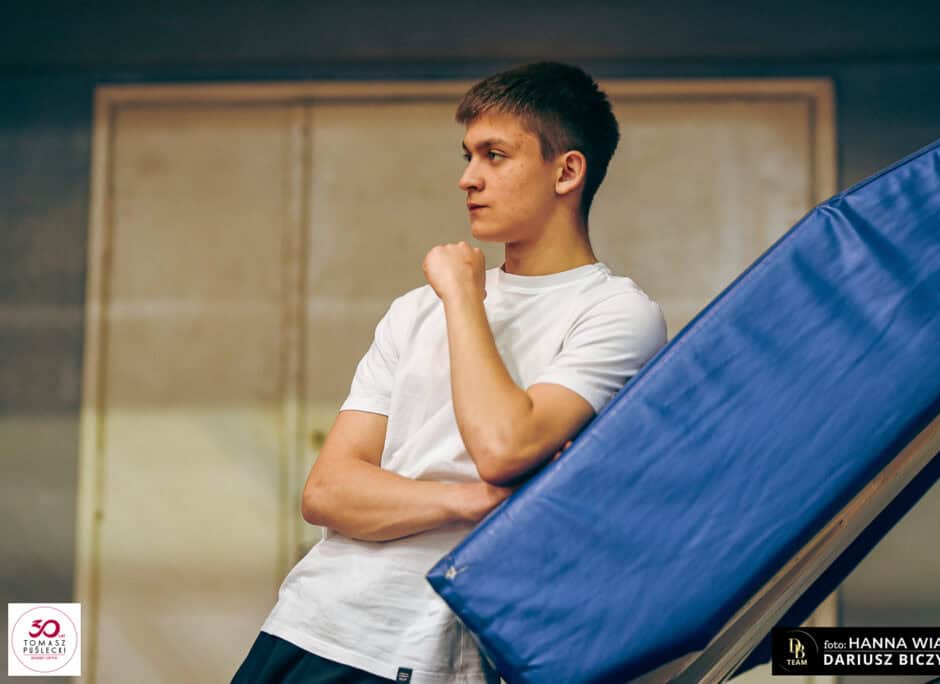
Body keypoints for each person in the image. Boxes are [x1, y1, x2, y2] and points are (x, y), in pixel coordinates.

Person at [232, 61, 667, 683]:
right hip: (306, 623)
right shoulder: (415, 308)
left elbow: (503, 445)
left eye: (495, 155)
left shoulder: (616, 313)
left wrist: (464, 297)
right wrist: (471, 501)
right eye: (468, 156)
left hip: (415, 651)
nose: (468, 178)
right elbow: (327, 493)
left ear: (567, 171)